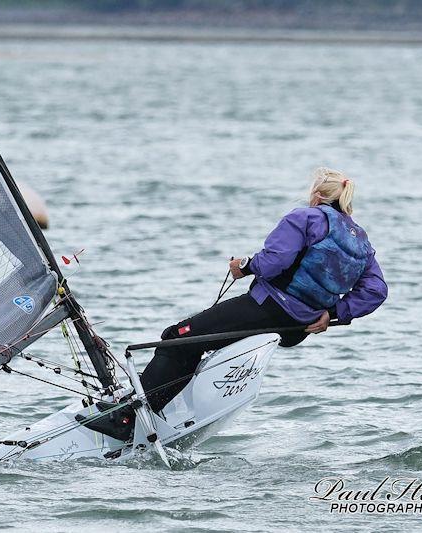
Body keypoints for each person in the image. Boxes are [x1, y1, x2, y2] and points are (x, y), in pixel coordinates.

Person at [79, 167, 388, 441]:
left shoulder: (304, 217)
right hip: (297, 327)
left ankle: (126, 419)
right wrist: (333, 314)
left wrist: (244, 266)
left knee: (179, 337)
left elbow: (274, 262)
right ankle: (153, 406)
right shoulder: (361, 239)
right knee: (197, 342)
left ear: (317, 196)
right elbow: (376, 290)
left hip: (268, 308)